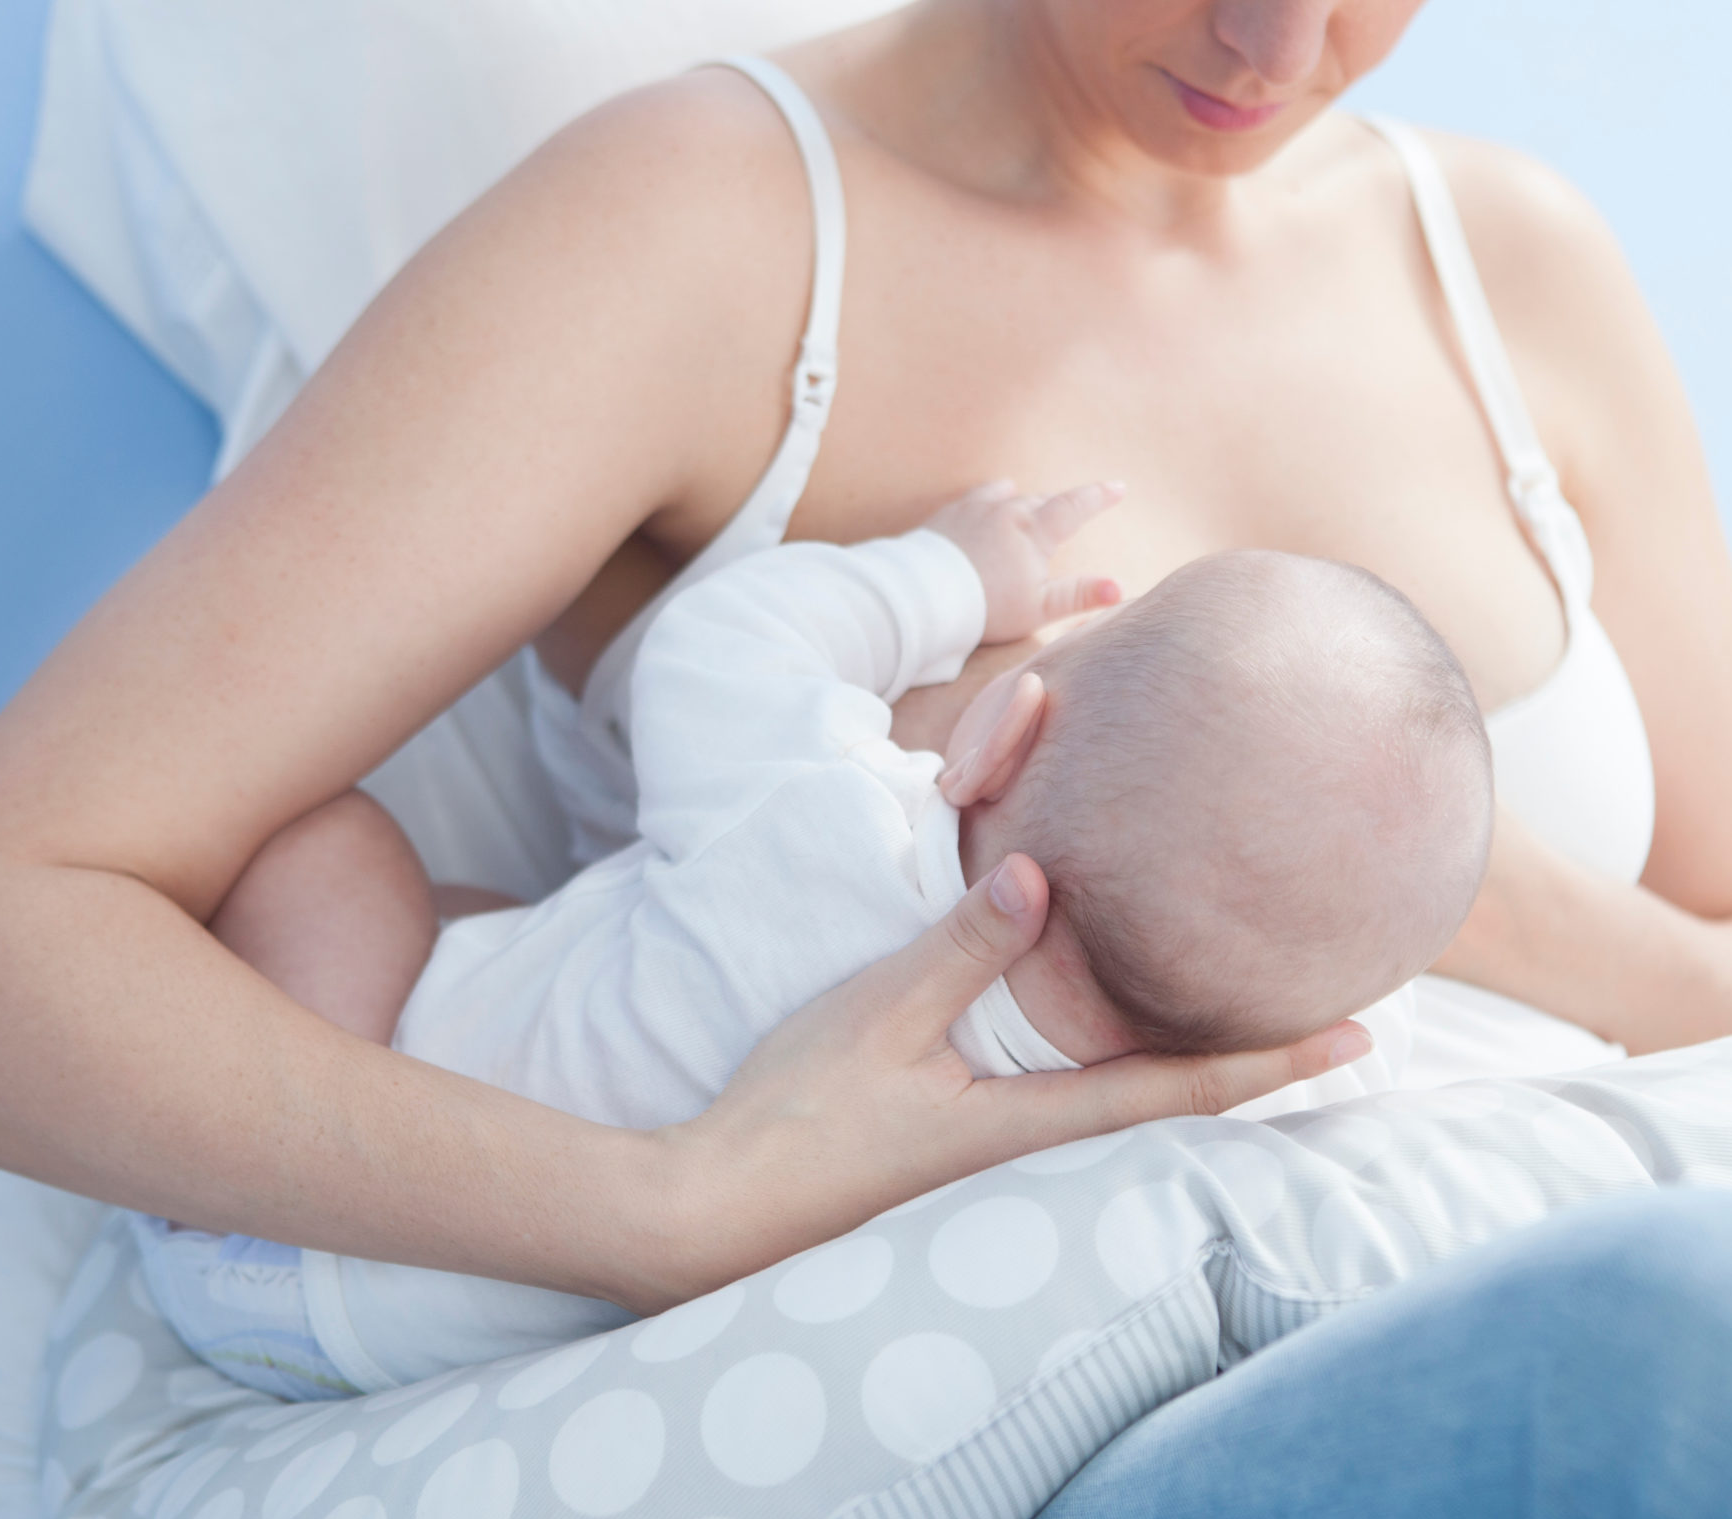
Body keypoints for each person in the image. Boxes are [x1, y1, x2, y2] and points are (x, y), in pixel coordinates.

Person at [0, 1, 1732, 1519]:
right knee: (1675, 1367)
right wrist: (658, 1206)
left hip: (1480, 1202)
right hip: (1029, 1443)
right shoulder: (709, 236)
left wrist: (1392, 872)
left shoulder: (1502, 267)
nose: (1271, 46)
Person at [139, 482, 1488, 1399]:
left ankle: (196, 1154)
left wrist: (955, 574)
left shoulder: (819, 803)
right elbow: (1351, 1045)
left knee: (338, 846)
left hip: (289, 1232)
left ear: (1006, 726)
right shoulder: (1142, 1136)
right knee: (521, 931)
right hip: (441, 1366)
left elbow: (720, 638)